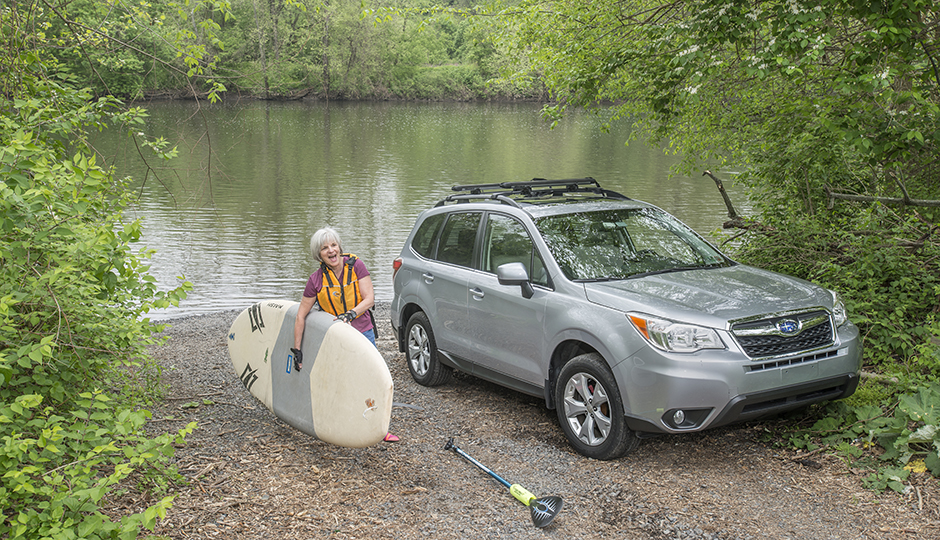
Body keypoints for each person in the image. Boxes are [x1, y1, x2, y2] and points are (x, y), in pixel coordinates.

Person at [290, 227, 399, 443]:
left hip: (362, 331)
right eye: (324, 248)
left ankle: (379, 429)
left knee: (372, 378)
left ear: (339, 247)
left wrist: (350, 314)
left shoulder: (356, 265)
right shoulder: (316, 280)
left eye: (333, 245)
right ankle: (338, 425)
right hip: (336, 337)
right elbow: (300, 316)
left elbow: (369, 299)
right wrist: (298, 350)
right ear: (318, 254)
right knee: (338, 380)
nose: (331, 251)